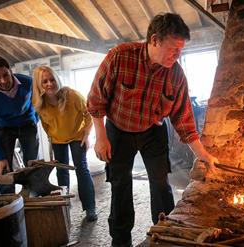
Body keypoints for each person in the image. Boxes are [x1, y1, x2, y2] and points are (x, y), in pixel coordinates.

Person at [87, 13, 218, 247]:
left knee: (160, 183)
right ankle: (120, 240)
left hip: (152, 130)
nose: (177, 56)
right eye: (173, 49)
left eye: (181, 50)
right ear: (155, 40)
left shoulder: (176, 74)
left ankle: (166, 234)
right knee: (120, 185)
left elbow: (184, 120)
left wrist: (203, 155)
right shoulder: (120, 56)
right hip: (118, 130)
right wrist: (100, 137)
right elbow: (96, 100)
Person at [32, 65, 97, 221]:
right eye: (45, 81)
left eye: (52, 79)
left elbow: (89, 114)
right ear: (39, 85)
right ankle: (64, 206)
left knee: (81, 169)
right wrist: (51, 145)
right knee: (61, 171)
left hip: (77, 136)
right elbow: (46, 126)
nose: (49, 84)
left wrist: (87, 134)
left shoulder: (72, 95)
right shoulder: (39, 103)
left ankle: (90, 208)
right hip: (57, 139)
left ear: (57, 79)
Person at [0, 55, 39, 194]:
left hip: (27, 124)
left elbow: (39, 104)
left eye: (6, 74)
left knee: (32, 163)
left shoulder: (28, 82)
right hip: (4, 127)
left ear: (10, 70)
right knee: (4, 168)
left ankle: (32, 194)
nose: (4, 80)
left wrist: (35, 120)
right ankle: (9, 201)